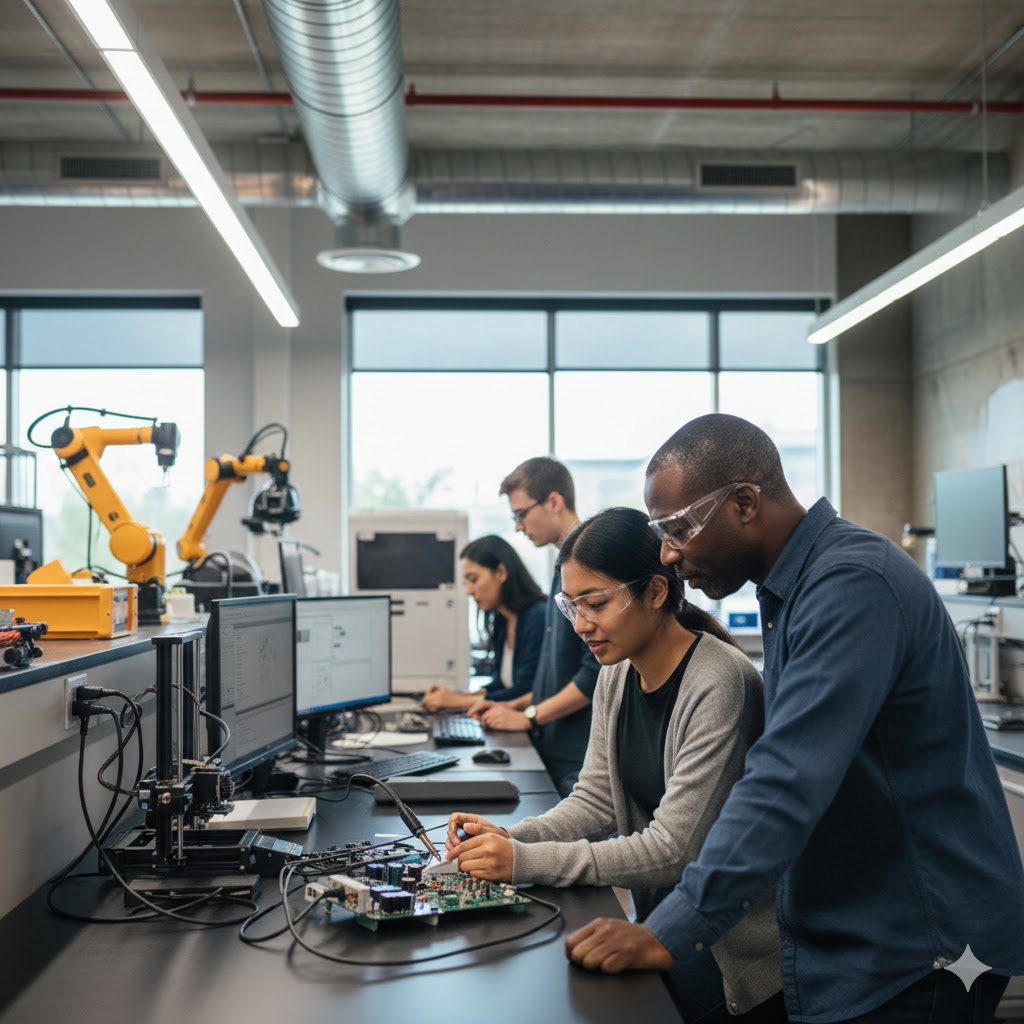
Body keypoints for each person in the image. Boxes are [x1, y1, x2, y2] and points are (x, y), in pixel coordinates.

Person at [565, 414, 1024, 1024]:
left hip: (925, 943)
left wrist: (670, 929)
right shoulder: (794, 591)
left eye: (678, 529)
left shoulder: (850, 585)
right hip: (856, 932)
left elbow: (787, 779)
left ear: (746, 503)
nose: (669, 554)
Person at [447, 507, 784, 1022]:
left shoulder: (721, 682)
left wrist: (523, 862)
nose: (581, 625)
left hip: (727, 948)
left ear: (655, 591)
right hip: (664, 921)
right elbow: (595, 800)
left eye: (596, 603)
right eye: (572, 606)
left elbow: (675, 848)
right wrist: (514, 839)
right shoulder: (619, 670)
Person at [470, 457, 600, 797]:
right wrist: (517, 706)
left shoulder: (587, 564)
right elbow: (558, 673)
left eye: (521, 514)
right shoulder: (563, 567)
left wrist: (529, 715)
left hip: (576, 759)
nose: (517, 526)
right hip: (555, 749)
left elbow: (592, 674)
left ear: (554, 502)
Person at [421, 535, 547, 712]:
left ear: (501, 573)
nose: (469, 591)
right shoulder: (503, 620)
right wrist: (457, 697)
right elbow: (501, 684)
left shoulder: (538, 617)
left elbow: (523, 691)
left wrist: (457, 701)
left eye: (474, 580)